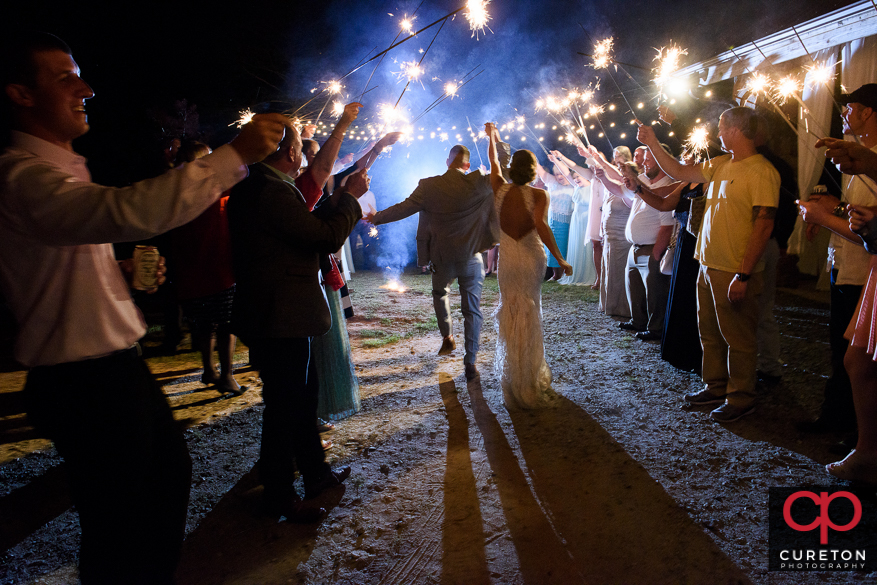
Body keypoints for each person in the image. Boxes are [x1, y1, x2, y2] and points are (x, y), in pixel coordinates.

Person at [0, 31, 287, 584]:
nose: (84, 87)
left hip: (111, 371)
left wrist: (115, 273)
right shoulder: (23, 176)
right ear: (20, 94)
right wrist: (237, 155)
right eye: (63, 78)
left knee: (160, 494)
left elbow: (62, 257)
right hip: (84, 381)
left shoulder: (59, 172)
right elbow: (124, 210)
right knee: (121, 529)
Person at [228, 122, 368, 520]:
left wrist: (339, 197)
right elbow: (322, 237)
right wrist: (351, 203)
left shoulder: (264, 184)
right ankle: (279, 494)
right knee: (285, 407)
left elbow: (303, 225)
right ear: (290, 153)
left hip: (283, 311)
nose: (305, 156)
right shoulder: (268, 189)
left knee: (302, 398)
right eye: (301, 149)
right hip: (279, 313)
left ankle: (315, 474)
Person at [638, 107, 780, 423]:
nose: (717, 133)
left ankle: (742, 396)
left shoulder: (762, 172)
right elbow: (676, 171)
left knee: (738, 336)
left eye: (721, 127)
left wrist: (743, 274)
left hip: (734, 268)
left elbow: (763, 226)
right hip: (707, 263)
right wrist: (652, 142)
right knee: (710, 332)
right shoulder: (719, 164)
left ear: (736, 130)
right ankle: (715, 386)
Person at [367, 141, 508, 380]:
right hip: (472, 257)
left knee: (440, 294)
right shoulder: (481, 183)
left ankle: (448, 337)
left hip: (442, 257)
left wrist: (376, 218)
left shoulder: (429, 185)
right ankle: (470, 360)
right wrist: (493, 138)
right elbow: (501, 165)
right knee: (472, 311)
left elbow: (404, 208)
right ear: (468, 165)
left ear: (447, 162)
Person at [797, 84, 877, 436]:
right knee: (839, 352)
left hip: (864, 275)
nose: (844, 114)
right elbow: (857, 210)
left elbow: (868, 228)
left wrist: (821, 218)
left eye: (850, 108)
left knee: (856, 359)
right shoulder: (858, 159)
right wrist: (833, 206)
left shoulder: (873, 160)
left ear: (868, 113)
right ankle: (838, 420)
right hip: (843, 268)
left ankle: (856, 434)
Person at [485, 123, 571, 408]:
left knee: (511, 309)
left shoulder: (498, 188)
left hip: (508, 259)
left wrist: (492, 138)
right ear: (533, 169)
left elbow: (493, 163)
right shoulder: (540, 195)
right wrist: (559, 259)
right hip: (531, 257)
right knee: (530, 311)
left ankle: (514, 380)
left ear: (512, 168)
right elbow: (541, 227)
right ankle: (527, 378)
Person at [167, 140, 244, 394]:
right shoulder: (214, 191)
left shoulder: (174, 194)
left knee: (203, 324)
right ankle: (227, 375)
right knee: (226, 324)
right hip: (217, 267)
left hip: (189, 271)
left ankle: (209, 370)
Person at [589, 145, 635, 318]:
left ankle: (621, 306)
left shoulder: (628, 183)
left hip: (621, 232)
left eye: (619, 158)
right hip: (609, 233)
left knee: (618, 269)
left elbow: (617, 176)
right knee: (608, 267)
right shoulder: (614, 182)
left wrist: (600, 161)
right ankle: (609, 304)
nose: (616, 162)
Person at [536, 158, 575, 281]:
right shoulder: (552, 183)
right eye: (557, 174)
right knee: (553, 246)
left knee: (566, 247)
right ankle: (555, 274)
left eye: (561, 174)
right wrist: (534, 160)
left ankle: (565, 273)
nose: (559, 177)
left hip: (569, 221)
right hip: (554, 221)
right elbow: (541, 172)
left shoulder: (574, 184)